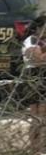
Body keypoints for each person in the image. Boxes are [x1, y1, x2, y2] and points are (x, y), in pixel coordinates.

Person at [20, 14, 46, 146]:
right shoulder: (31, 41)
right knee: (37, 115)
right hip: (35, 76)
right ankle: (35, 146)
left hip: (43, 75)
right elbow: (38, 58)